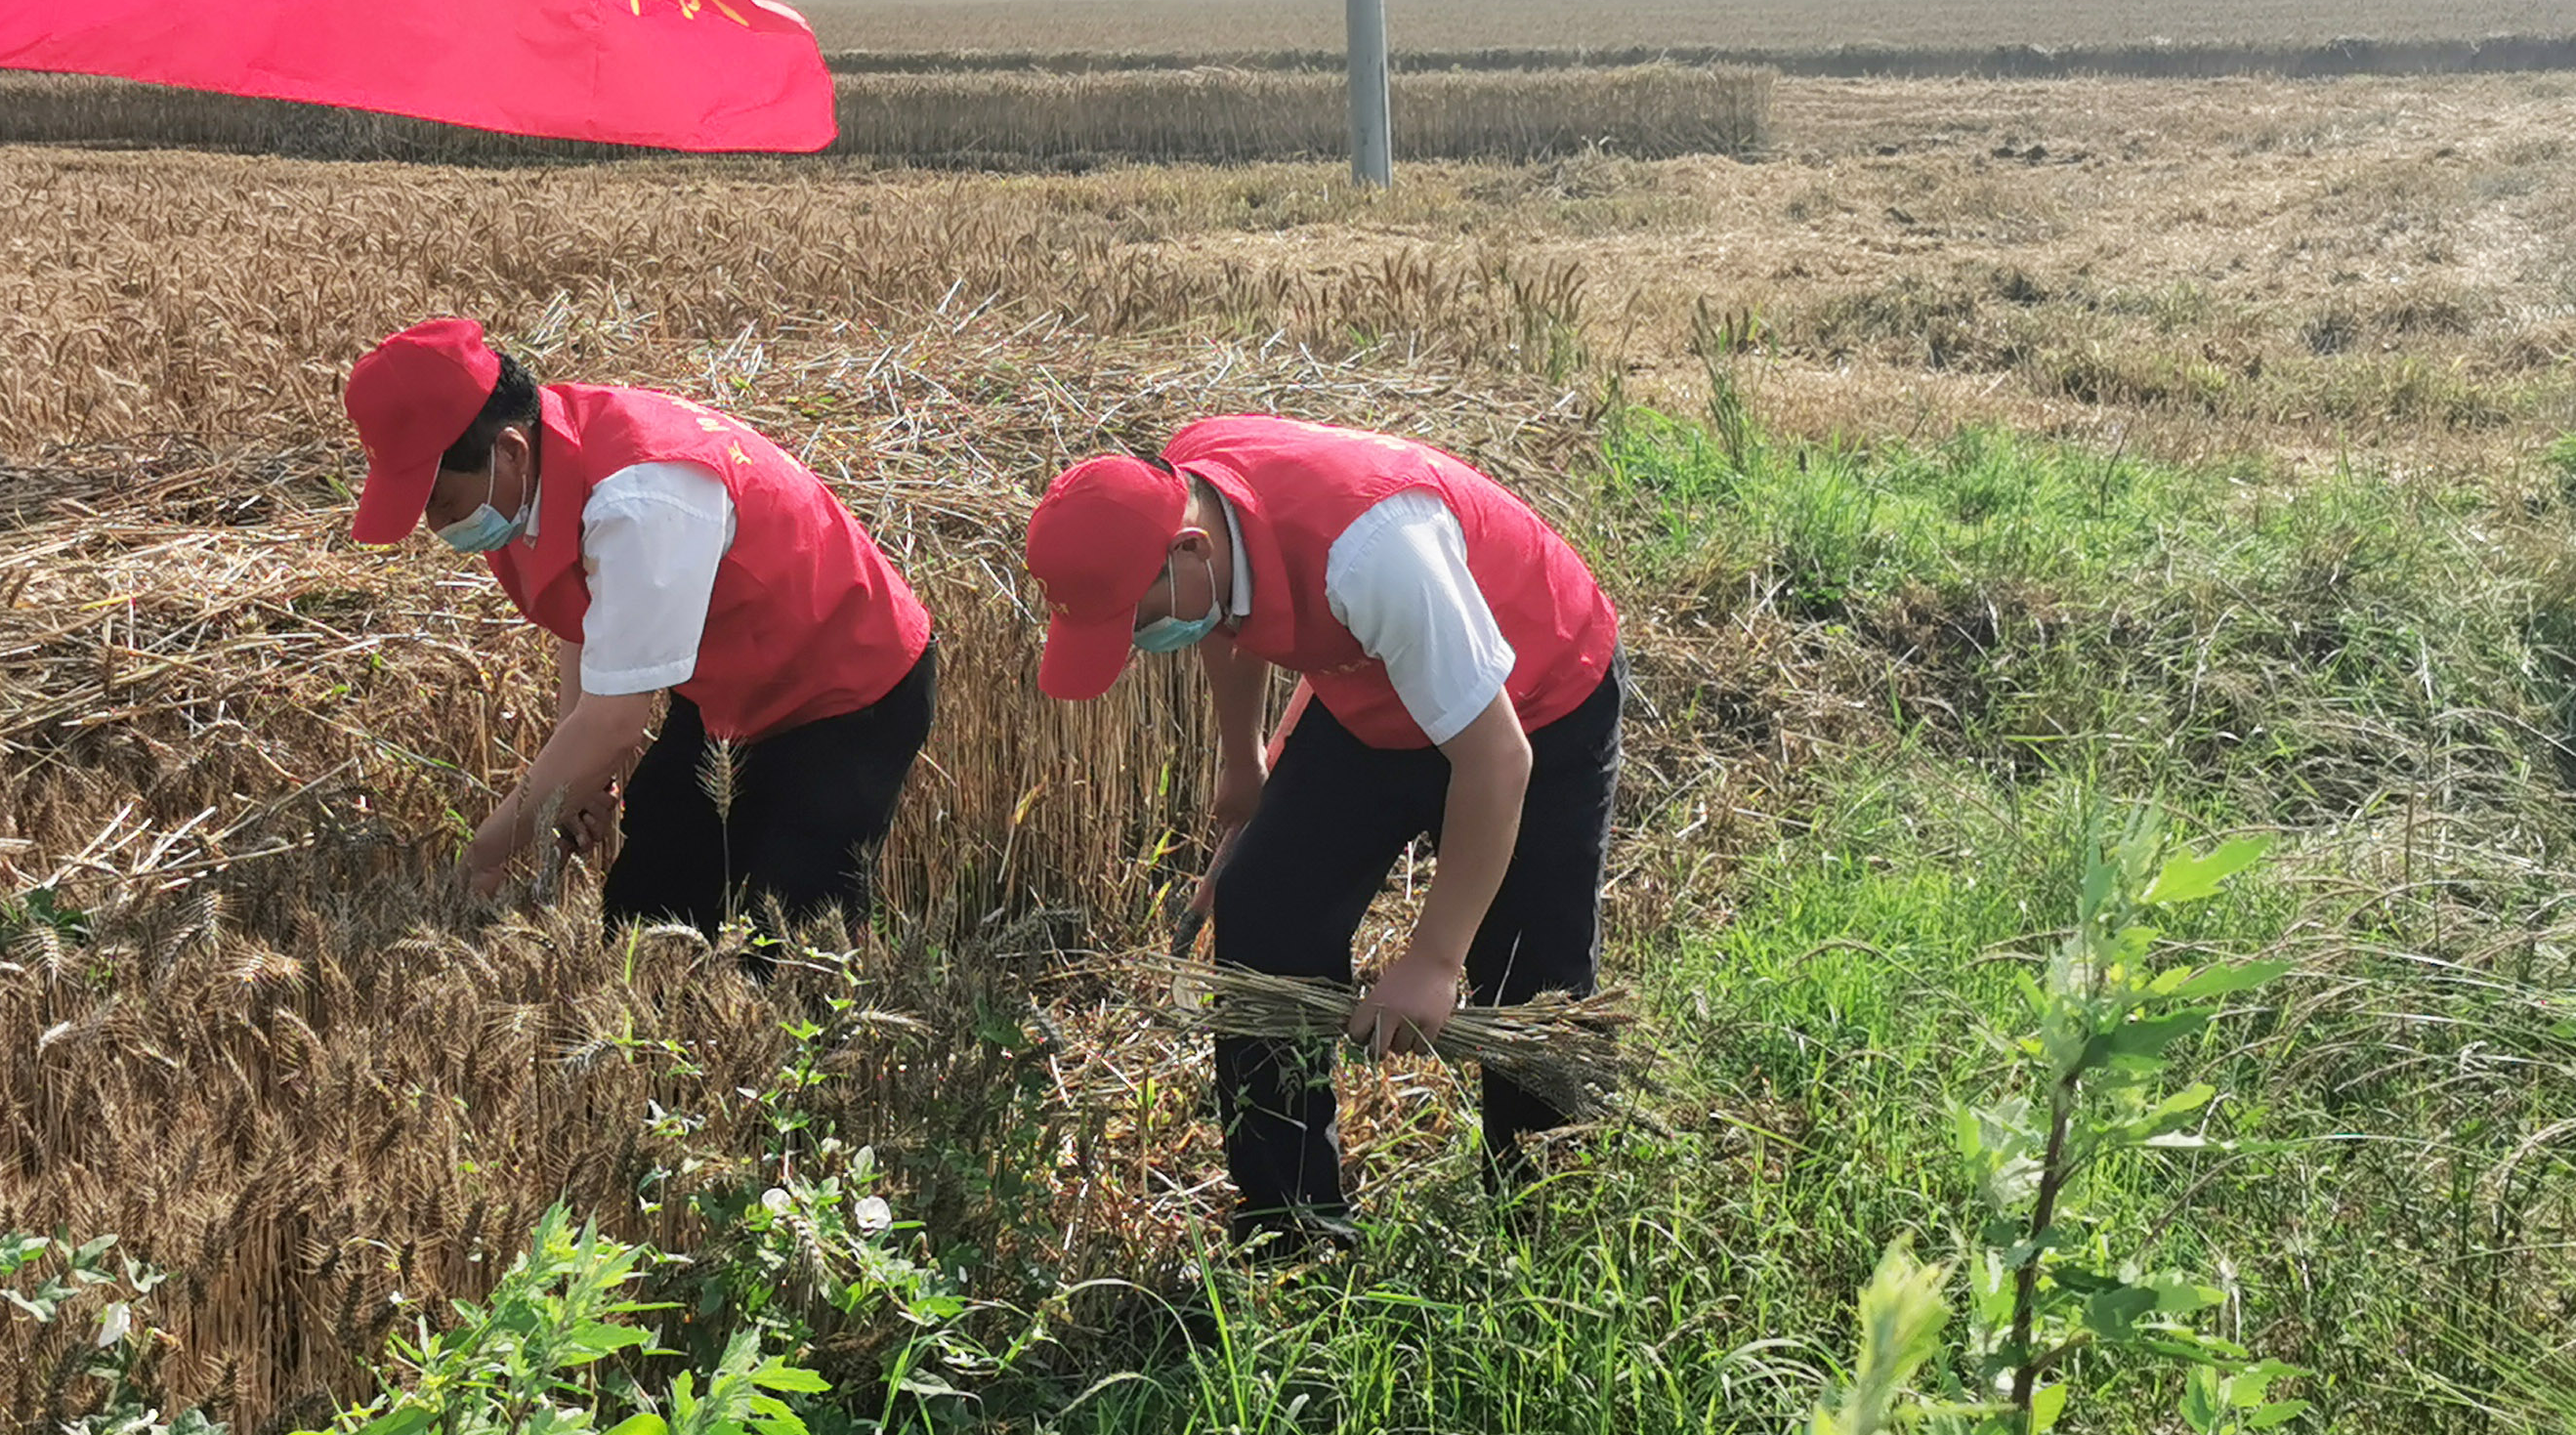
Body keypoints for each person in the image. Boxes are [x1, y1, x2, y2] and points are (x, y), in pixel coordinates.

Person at [1023, 413, 1624, 1245]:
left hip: (1533, 696)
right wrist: (1243, 760)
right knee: (1265, 912)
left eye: (1135, 621)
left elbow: (1496, 762)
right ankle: (1292, 1230)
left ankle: (1543, 1229)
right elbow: (1232, 619)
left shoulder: (1376, 554)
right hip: (1365, 697)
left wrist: (1434, 959)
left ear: (1188, 550)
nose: (1136, 644)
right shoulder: (1190, 494)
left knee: (1529, 973)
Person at [344, 316, 937, 931]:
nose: (438, 529)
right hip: (734, 684)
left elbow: (615, 719)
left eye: (439, 503)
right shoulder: (531, 469)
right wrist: (578, 778)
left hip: (849, 688)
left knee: (790, 938)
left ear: (509, 452)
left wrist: (486, 855)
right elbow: (583, 621)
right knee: (648, 907)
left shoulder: (640, 499)